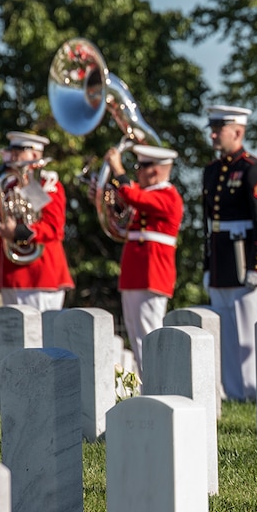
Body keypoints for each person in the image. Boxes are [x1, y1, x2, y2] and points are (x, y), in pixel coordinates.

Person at [203, 104, 257, 402]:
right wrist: (208, 264)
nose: (213, 135)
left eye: (218, 129)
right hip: (221, 258)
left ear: (237, 131)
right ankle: (234, 393)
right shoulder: (212, 171)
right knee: (224, 333)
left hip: (245, 258)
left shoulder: (253, 169)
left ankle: (252, 393)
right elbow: (209, 224)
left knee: (247, 333)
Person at [104, 144, 184, 375]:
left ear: (155, 171)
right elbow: (123, 209)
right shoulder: (146, 194)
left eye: (141, 167)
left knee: (149, 333)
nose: (137, 171)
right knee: (136, 333)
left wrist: (118, 171)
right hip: (135, 272)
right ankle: (147, 382)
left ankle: (158, 383)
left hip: (152, 273)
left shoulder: (169, 196)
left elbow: (131, 195)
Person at [0, 131, 74, 311]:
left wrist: (16, 232)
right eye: (12, 152)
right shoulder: (9, 185)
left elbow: (53, 228)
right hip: (12, 273)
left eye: (19, 152)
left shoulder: (46, 184)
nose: (13, 157)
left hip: (40, 274)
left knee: (40, 336)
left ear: (36, 155)